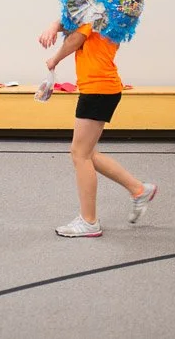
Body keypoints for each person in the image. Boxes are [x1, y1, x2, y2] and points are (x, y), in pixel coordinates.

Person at [39, 19, 157, 238]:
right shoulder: (105, 12)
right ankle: (139, 189)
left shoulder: (96, 12)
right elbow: (72, 22)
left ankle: (89, 221)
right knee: (88, 153)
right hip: (102, 87)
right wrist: (54, 26)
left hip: (98, 89)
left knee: (79, 154)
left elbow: (76, 38)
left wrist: (54, 59)